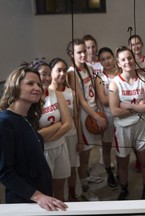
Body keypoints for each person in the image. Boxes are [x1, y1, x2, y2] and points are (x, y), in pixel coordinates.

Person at [0, 66, 67, 211]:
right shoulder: (4, 122)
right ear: (15, 86)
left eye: (38, 84)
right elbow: (4, 172)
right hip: (24, 202)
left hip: (41, 196)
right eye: (30, 83)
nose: (37, 87)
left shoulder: (28, 118)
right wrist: (37, 196)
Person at [109, 46, 145, 200]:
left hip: (141, 127)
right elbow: (115, 111)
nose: (127, 61)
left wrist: (130, 106)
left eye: (129, 58)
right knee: (123, 163)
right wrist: (140, 108)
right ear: (119, 63)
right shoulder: (115, 83)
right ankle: (124, 188)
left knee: (144, 162)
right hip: (122, 129)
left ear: (134, 59)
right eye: (123, 59)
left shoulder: (144, 80)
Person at [66, 39, 108, 201]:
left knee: (88, 151)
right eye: (79, 52)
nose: (83, 54)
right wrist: (96, 117)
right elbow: (82, 101)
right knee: (83, 155)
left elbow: (95, 94)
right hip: (83, 115)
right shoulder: (71, 72)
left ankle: (85, 178)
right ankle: (84, 188)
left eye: (84, 51)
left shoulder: (89, 68)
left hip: (93, 111)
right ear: (71, 54)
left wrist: (101, 112)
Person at [33, 59, 72, 202]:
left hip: (61, 146)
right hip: (43, 152)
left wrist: (43, 135)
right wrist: (57, 125)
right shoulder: (31, 99)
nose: (48, 78)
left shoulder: (56, 94)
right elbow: (34, 134)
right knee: (45, 191)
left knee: (60, 188)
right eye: (44, 74)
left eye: (49, 74)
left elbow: (68, 124)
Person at [49, 58, 83, 201]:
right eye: (58, 70)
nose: (62, 73)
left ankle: (72, 193)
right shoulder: (46, 93)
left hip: (71, 135)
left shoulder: (71, 93)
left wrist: (80, 139)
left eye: (64, 70)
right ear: (51, 72)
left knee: (72, 167)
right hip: (54, 138)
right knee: (55, 171)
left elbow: (76, 118)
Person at [95, 47, 119, 189]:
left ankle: (120, 172)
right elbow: (103, 100)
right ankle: (109, 172)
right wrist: (118, 96)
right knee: (107, 145)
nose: (107, 61)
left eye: (109, 57)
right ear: (100, 62)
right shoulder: (99, 77)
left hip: (122, 113)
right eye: (103, 59)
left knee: (122, 144)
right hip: (108, 115)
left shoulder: (121, 73)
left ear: (114, 57)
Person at [128, 34, 145, 171]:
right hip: (134, 100)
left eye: (138, 43)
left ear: (142, 45)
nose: (135, 46)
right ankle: (138, 158)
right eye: (132, 44)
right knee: (133, 136)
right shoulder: (128, 61)